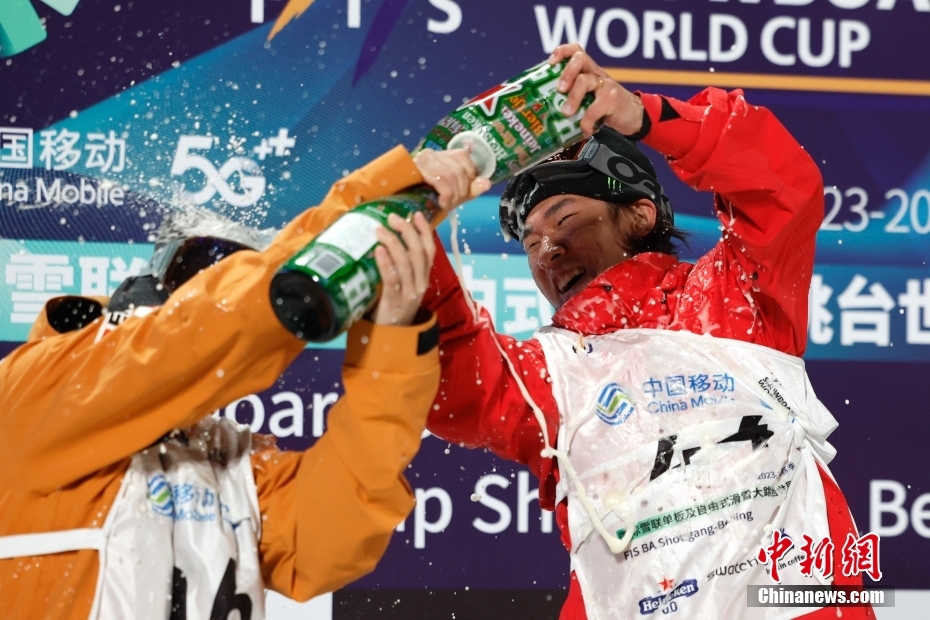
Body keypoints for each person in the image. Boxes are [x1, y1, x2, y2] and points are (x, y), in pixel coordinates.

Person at [424, 44, 874, 619]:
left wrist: (644, 117)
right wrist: (410, 233)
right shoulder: (550, 374)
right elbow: (447, 376)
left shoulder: (729, 298)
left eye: (562, 219)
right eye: (531, 243)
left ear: (640, 215)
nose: (548, 251)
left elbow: (782, 189)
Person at [0, 145, 488, 619]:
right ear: (151, 286)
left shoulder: (226, 456)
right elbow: (207, 332)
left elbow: (322, 543)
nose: (218, 294)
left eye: (238, 275)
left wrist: (391, 339)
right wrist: (374, 207)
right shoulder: (38, 388)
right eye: (206, 275)